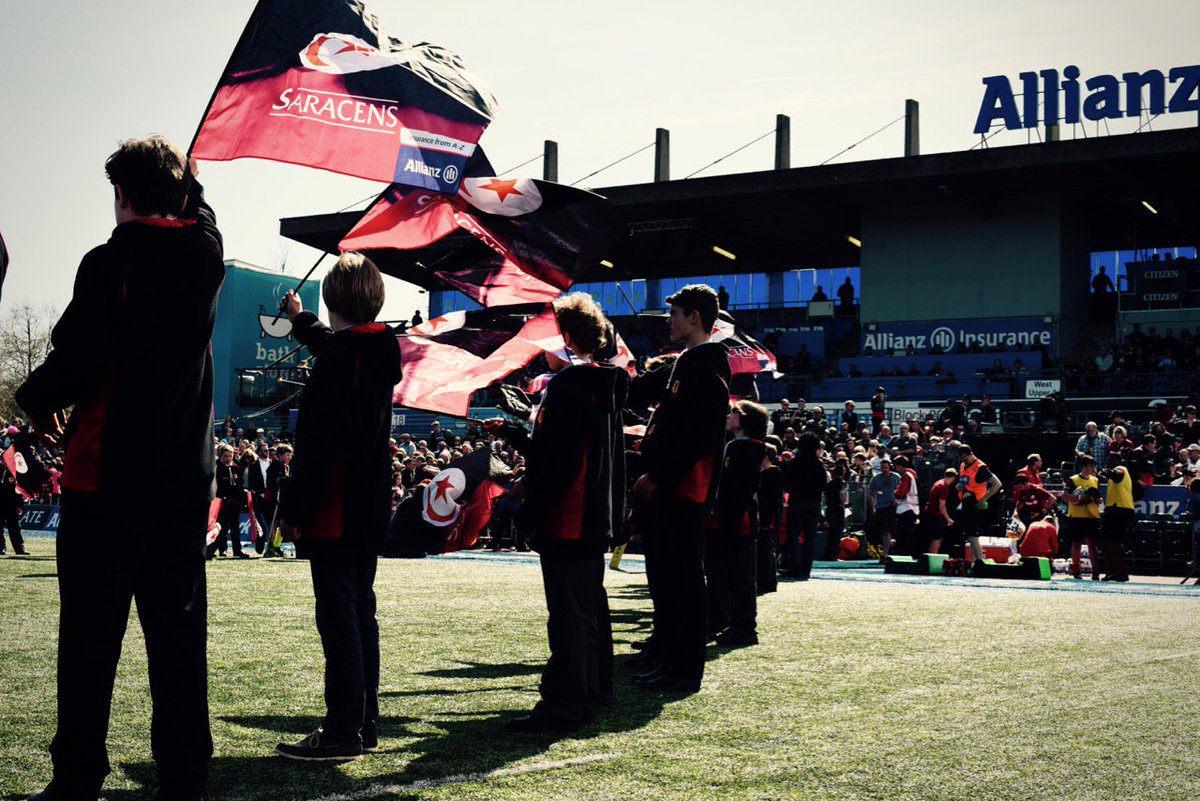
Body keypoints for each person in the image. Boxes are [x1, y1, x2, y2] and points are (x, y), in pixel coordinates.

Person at [16, 137, 223, 801]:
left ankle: (78, 775)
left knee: (88, 641)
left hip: (108, 478)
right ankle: (185, 775)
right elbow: (204, 216)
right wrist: (192, 181)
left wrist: (35, 396)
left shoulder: (110, 261)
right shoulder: (206, 253)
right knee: (178, 640)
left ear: (124, 195)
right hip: (183, 483)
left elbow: (80, 353)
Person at [274, 253, 403, 761]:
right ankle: (362, 722)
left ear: (334, 299)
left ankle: (343, 728)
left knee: (339, 616)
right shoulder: (374, 349)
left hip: (334, 504)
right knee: (359, 612)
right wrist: (301, 318)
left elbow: (318, 446)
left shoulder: (340, 357)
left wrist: (295, 511)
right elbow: (337, 348)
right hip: (367, 504)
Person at [491, 293, 626, 733]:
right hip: (590, 515)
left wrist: (529, 502)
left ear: (563, 336)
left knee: (567, 614)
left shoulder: (568, 386)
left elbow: (557, 461)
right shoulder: (599, 382)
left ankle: (566, 703)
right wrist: (516, 432)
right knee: (588, 610)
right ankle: (592, 689)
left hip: (567, 517)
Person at [633, 285, 730, 693]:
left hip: (684, 490)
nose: (668, 320)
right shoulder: (689, 362)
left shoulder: (703, 365)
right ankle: (672, 660)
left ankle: (684, 669)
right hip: (677, 488)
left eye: (674, 313)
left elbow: (696, 437)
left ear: (694, 317)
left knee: (684, 581)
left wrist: (659, 476)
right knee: (671, 580)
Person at [707, 400, 768, 647]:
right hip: (735, 517)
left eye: (734, 412)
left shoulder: (745, 447)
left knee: (741, 576)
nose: (729, 415)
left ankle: (743, 627)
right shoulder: (738, 446)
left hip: (737, 519)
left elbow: (739, 489)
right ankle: (736, 624)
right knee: (732, 575)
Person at [783, 432, 827, 579]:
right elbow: (823, 485)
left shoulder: (793, 463)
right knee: (810, 537)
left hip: (796, 501)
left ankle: (794, 567)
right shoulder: (819, 464)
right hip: (814, 502)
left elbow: (786, 484)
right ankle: (806, 569)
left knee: (793, 536)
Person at [957, 445, 1003, 562]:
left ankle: (980, 561)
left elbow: (997, 484)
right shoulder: (963, 465)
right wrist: (960, 487)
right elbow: (964, 481)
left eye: (966, 459)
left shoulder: (980, 467)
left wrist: (984, 499)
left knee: (973, 535)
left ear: (971, 454)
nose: (965, 461)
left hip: (975, 502)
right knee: (970, 535)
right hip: (966, 502)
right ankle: (973, 562)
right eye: (962, 459)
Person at [1064, 455, 1103, 580]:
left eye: (1093, 466)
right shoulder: (1073, 480)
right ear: (1083, 467)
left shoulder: (1095, 480)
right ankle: (1076, 571)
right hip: (1076, 516)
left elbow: (1099, 500)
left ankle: (1095, 572)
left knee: (1092, 544)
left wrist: (1096, 499)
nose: (1092, 468)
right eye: (1090, 466)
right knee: (1076, 544)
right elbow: (1065, 496)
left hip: (1092, 516)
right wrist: (1081, 498)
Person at [208, 444, 248, 560]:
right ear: (221, 456)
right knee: (221, 527)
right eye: (225, 456)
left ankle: (237, 550)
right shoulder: (217, 468)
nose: (228, 458)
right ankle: (219, 549)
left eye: (230, 456)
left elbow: (240, 482)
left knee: (235, 527)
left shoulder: (236, 468)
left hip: (235, 502)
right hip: (222, 501)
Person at [1099, 452, 1134, 582]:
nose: (1108, 461)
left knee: (1110, 540)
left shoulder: (1121, 469)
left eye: (1111, 459)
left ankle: (1117, 570)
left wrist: (1104, 471)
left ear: (1117, 460)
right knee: (1111, 540)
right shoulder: (1113, 474)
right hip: (1116, 509)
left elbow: (1116, 475)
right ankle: (1117, 570)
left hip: (1119, 509)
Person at [756, 445, 783, 594]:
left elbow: (770, 500)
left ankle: (765, 580)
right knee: (768, 549)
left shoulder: (770, 474)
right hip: (769, 516)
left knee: (765, 550)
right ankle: (768, 581)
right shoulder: (773, 473)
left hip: (767, 517)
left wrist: (765, 520)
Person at [866, 458, 901, 557]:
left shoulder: (896, 477)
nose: (884, 470)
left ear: (890, 468)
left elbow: (901, 490)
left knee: (887, 530)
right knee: (881, 530)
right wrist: (872, 506)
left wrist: (897, 500)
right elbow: (870, 493)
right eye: (882, 468)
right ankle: (890, 544)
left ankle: (885, 554)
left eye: (886, 468)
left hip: (891, 506)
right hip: (880, 507)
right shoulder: (876, 479)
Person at [924, 468, 959, 555]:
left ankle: (930, 557)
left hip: (929, 513)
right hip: (934, 514)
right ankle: (933, 557)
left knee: (934, 537)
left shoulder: (938, 482)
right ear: (953, 478)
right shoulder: (944, 487)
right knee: (938, 538)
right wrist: (948, 519)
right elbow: (942, 506)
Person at [892, 455, 920, 556]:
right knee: (908, 534)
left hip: (906, 509)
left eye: (896, 466)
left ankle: (905, 554)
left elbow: (901, 493)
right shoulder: (909, 475)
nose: (895, 468)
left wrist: (895, 492)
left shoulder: (907, 476)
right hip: (910, 509)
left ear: (900, 466)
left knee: (904, 534)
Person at [0, 465, 27, 555]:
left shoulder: (13, 472)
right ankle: (1, 548)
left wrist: (19, 505)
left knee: (14, 527)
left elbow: (18, 491)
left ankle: (19, 549)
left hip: (11, 505)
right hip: (1, 504)